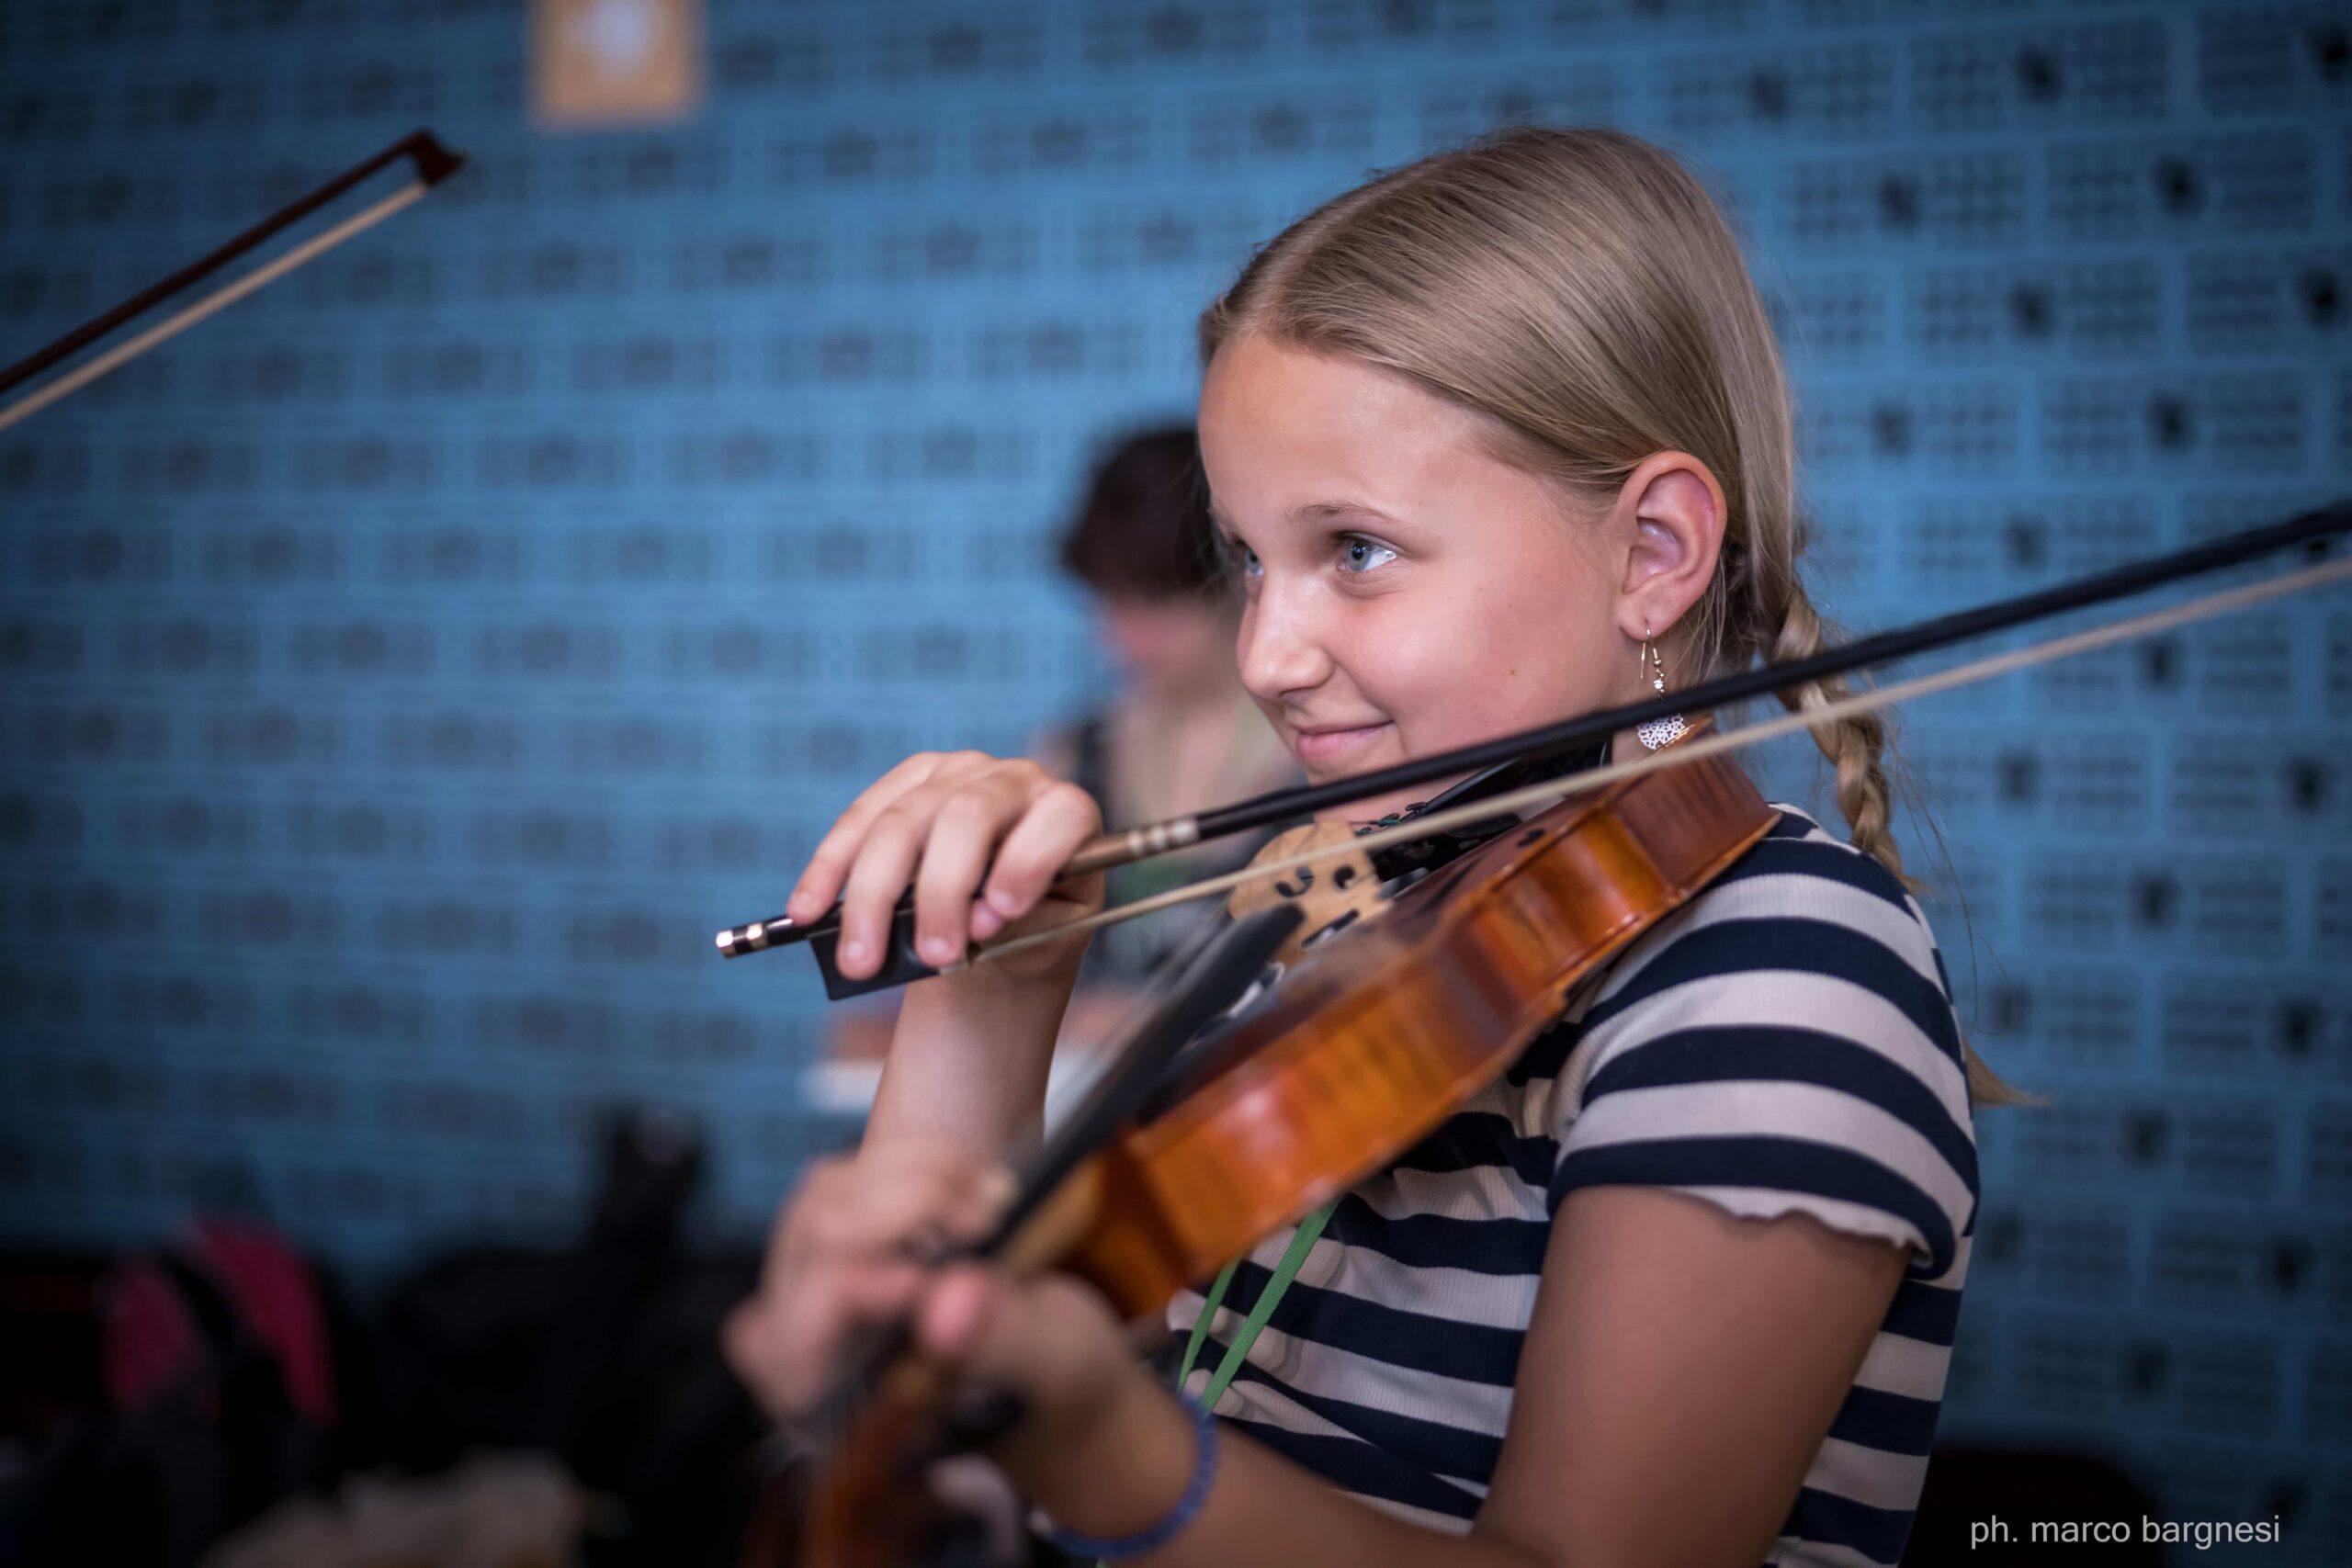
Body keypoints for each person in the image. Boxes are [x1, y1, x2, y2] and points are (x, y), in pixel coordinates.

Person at [727, 126, 2021, 1568]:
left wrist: (1101, 1443)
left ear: (1652, 552)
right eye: (1249, 562)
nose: (1268, 654)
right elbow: (948, 1441)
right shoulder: (1374, 926)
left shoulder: (1781, 971)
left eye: (1355, 550)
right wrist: (991, 980)